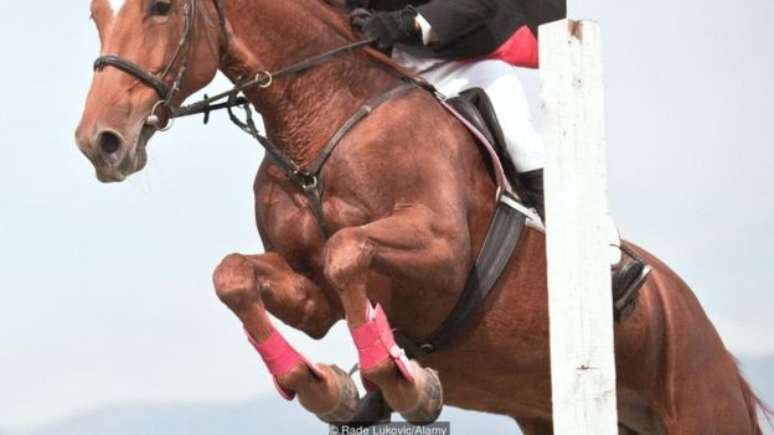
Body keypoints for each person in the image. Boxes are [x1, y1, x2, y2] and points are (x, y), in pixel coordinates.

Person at [348, 0, 651, 315]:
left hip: (457, 59)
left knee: (518, 138)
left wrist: (407, 23)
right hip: (371, 66)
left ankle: (602, 253)